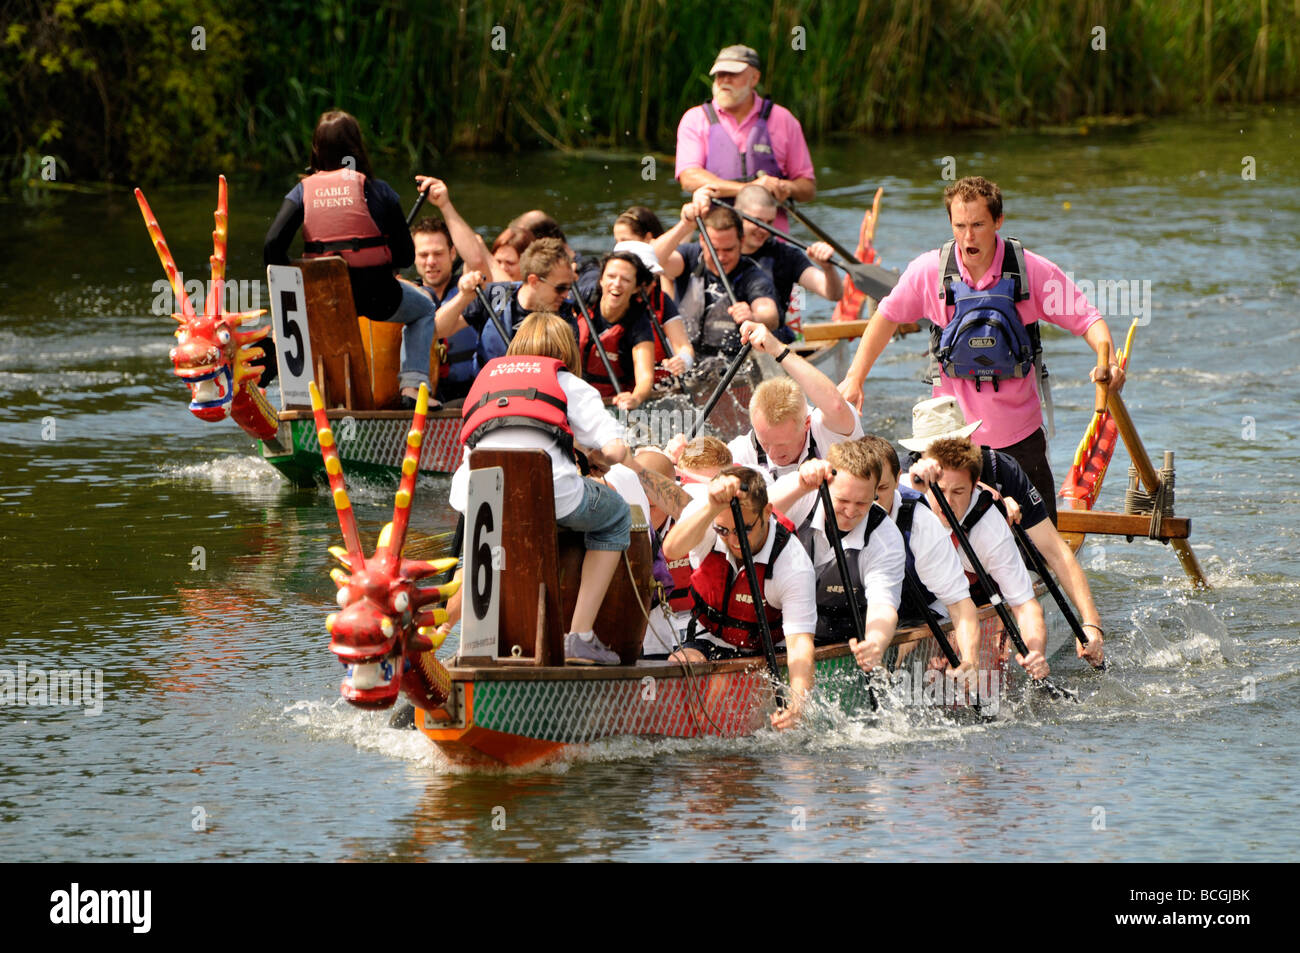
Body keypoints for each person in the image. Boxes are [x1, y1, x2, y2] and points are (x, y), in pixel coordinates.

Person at [838, 176, 1126, 520]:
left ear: (998, 221)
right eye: (960, 225)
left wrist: (1106, 360)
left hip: (1019, 440)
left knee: (1040, 555)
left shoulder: (1030, 271)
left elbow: (1088, 320)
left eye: (978, 225)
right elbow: (885, 318)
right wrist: (855, 378)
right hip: (952, 444)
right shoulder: (928, 272)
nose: (968, 237)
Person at [450, 312, 644, 665]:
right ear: (566, 354)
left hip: (475, 495)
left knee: (485, 540)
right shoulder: (567, 382)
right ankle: (580, 637)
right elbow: (617, 450)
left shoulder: (486, 378)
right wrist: (598, 456)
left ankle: (465, 642)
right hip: (550, 494)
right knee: (615, 514)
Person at [898, 395, 1106, 666]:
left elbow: (1055, 552)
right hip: (930, 587)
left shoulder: (1001, 470)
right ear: (919, 454)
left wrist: (1091, 623)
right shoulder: (903, 479)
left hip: (995, 576)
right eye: (935, 455)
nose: (943, 464)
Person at [262, 109, 437, 406]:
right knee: (423, 310)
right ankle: (412, 388)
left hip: (322, 302)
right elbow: (407, 256)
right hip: (378, 296)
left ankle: (303, 398)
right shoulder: (379, 191)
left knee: (292, 318)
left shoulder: (301, 192)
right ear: (357, 148)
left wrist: (299, 276)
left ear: (316, 149)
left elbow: (271, 247)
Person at [662, 465, 817, 730]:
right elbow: (671, 549)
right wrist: (712, 507)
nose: (733, 540)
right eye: (724, 531)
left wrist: (798, 701)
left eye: (744, 529)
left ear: (767, 513)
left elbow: (800, 644)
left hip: (766, 650)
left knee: (725, 705)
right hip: (708, 636)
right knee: (676, 673)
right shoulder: (708, 516)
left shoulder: (792, 563)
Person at [915, 436, 1051, 681]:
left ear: (976, 484)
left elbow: (1025, 606)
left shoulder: (989, 528)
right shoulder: (908, 495)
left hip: (969, 594)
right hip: (917, 592)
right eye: (940, 490)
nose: (948, 502)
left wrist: (1035, 651)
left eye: (958, 491)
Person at [768, 440, 904, 672]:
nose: (850, 512)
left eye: (862, 502)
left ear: (874, 494)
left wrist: (875, 643)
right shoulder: (802, 496)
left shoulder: (885, 536)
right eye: (842, 501)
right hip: (782, 632)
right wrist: (800, 484)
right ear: (826, 486)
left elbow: (883, 605)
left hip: (845, 639)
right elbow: (752, 513)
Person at [859, 434, 982, 679]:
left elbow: (959, 604)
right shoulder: (839, 507)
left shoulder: (920, 520)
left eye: (881, 490)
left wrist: (970, 661)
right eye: (865, 492)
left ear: (897, 480)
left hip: (918, 611)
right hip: (859, 617)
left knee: (906, 650)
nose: (870, 502)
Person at [675, 44, 815, 233]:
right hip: (719, 242)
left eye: (733, 75)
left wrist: (784, 187)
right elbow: (689, 179)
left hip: (771, 238)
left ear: (754, 78)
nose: (724, 80)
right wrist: (751, 189)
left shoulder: (784, 120)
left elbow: (807, 188)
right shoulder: (695, 119)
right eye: (719, 75)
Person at [727, 321, 862, 492]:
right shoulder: (744, 449)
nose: (773, 454)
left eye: (782, 444)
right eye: (765, 443)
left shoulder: (826, 428)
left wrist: (777, 349)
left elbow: (836, 405)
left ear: (806, 423)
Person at [652, 199, 778, 356]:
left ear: (741, 241)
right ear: (702, 241)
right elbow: (649, 260)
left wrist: (754, 316)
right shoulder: (689, 257)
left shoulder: (752, 274)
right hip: (686, 358)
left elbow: (770, 314)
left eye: (728, 249)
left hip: (733, 363)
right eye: (714, 249)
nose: (721, 257)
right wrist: (684, 225)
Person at [407, 179, 495, 404]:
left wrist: (445, 204)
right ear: (413, 257)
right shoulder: (406, 295)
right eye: (423, 255)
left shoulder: (470, 285)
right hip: (427, 398)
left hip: (473, 393)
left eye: (437, 254)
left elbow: (476, 259)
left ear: (452, 253)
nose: (431, 262)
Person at [436, 237, 576, 368]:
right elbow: (437, 330)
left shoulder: (564, 313)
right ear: (534, 281)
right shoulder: (496, 295)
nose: (566, 294)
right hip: (489, 390)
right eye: (561, 288)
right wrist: (464, 296)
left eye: (569, 287)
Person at [733, 184, 842, 342]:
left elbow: (833, 294)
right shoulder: (714, 250)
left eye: (769, 223)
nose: (763, 230)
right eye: (756, 221)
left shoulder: (786, 255)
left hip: (772, 343)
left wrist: (828, 268)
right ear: (737, 216)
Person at [573, 251, 658, 410]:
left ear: (636, 288)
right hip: (575, 395)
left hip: (611, 403)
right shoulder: (581, 298)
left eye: (625, 279)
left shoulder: (639, 322)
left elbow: (645, 377)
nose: (617, 284)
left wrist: (635, 398)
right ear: (601, 280)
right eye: (611, 277)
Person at [611, 239, 695, 377]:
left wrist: (683, 361)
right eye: (643, 278)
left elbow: (682, 345)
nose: (649, 284)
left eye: (652, 277)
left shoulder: (660, 300)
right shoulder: (597, 300)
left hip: (652, 385)